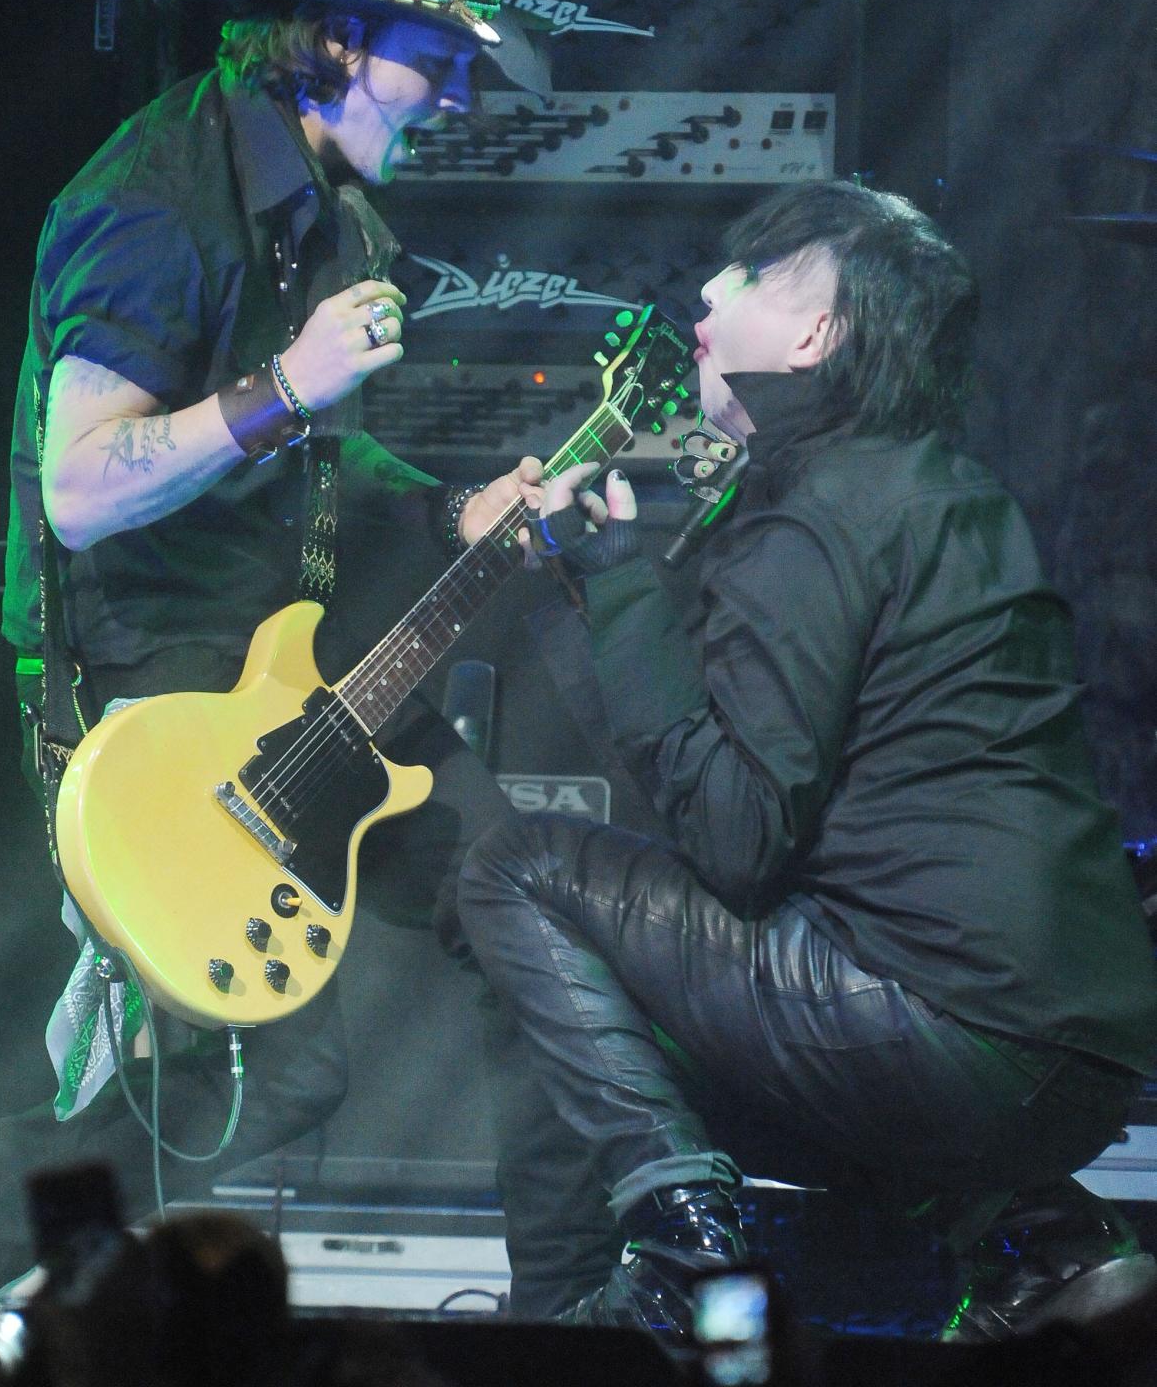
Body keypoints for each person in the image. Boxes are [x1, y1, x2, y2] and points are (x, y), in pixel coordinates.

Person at [0, 0, 546, 1288]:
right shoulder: (156, 193)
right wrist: (282, 386)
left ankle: (582, 1299)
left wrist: (454, 510)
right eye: (432, 58)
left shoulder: (340, 218)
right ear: (333, 35)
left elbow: (313, 458)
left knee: (529, 906)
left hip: (287, 676)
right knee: (249, 1086)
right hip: (146, 694)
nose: (452, 97)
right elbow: (81, 488)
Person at [455, 179, 1157, 1342]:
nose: (705, 298)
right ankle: (1037, 1235)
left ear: (815, 333)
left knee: (513, 869)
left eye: (743, 273)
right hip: (1077, 1052)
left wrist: (620, 573)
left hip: (947, 1030)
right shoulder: (940, 490)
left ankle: (683, 1256)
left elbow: (731, 837)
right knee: (718, 970)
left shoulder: (818, 511)